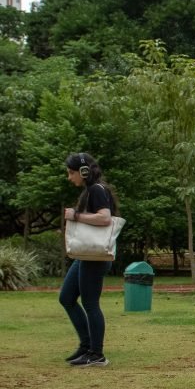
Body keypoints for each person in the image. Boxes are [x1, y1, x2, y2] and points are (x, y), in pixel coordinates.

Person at [60, 152, 118, 367]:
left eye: (71, 173)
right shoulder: (89, 191)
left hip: (95, 256)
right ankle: (86, 346)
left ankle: (97, 354)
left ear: (83, 172)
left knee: (90, 303)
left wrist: (75, 215)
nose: (69, 177)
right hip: (85, 255)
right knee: (66, 297)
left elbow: (105, 218)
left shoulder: (96, 190)